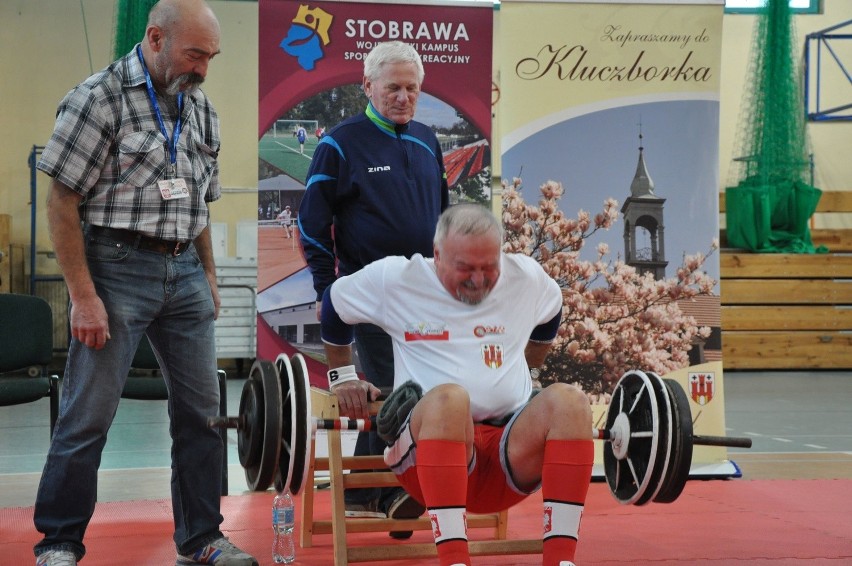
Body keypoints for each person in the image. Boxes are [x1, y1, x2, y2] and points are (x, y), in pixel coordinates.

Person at [32, 1, 257, 565]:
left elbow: (201, 203)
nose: (204, 67)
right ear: (155, 38)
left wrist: (206, 273)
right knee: (87, 415)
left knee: (202, 415)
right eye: (195, 53)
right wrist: (83, 296)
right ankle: (58, 542)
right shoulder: (99, 97)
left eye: (212, 56)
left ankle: (202, 539)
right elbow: (61, 200)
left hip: (183, 273)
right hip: (113, 270)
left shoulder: (200, 109)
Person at [321, 204, 594, 566]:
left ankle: (561, 561)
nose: (478, 280)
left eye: (488, 268)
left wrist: (530, 365)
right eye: (465, 268)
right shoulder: (396, 279)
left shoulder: (525, 277)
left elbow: (551, 312)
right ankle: (453, 561)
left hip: (508, 458)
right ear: (437, 256)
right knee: (451, 398)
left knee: (570, 401)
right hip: (425, 459)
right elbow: (333, 306)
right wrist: (343, 377)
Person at [298, 40, 449, 536]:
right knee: (394, 390)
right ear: (367, 86)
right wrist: (328, 291)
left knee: (412, 392)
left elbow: (445, 223)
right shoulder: (340, 142)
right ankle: (393, 491)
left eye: (412, 89)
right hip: (369, 297)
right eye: (393, 88)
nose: (403, 97)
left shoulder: (429, 140)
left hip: (427, 296)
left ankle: (374, 493)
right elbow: (312, 226)